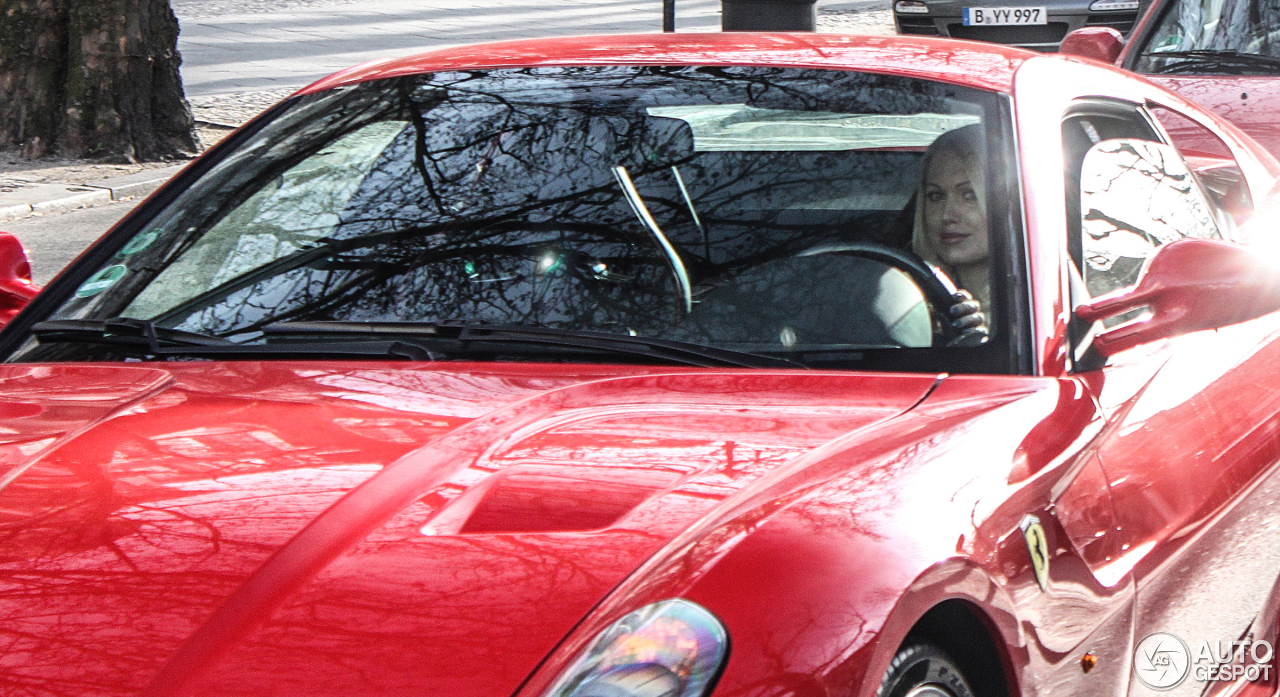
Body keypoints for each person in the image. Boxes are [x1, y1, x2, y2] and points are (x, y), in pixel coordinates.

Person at [912, 124, 990, 345]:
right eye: (936, 196)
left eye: (969, 195)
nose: (947, 215)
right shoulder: (904, 298)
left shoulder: (1037, 308)